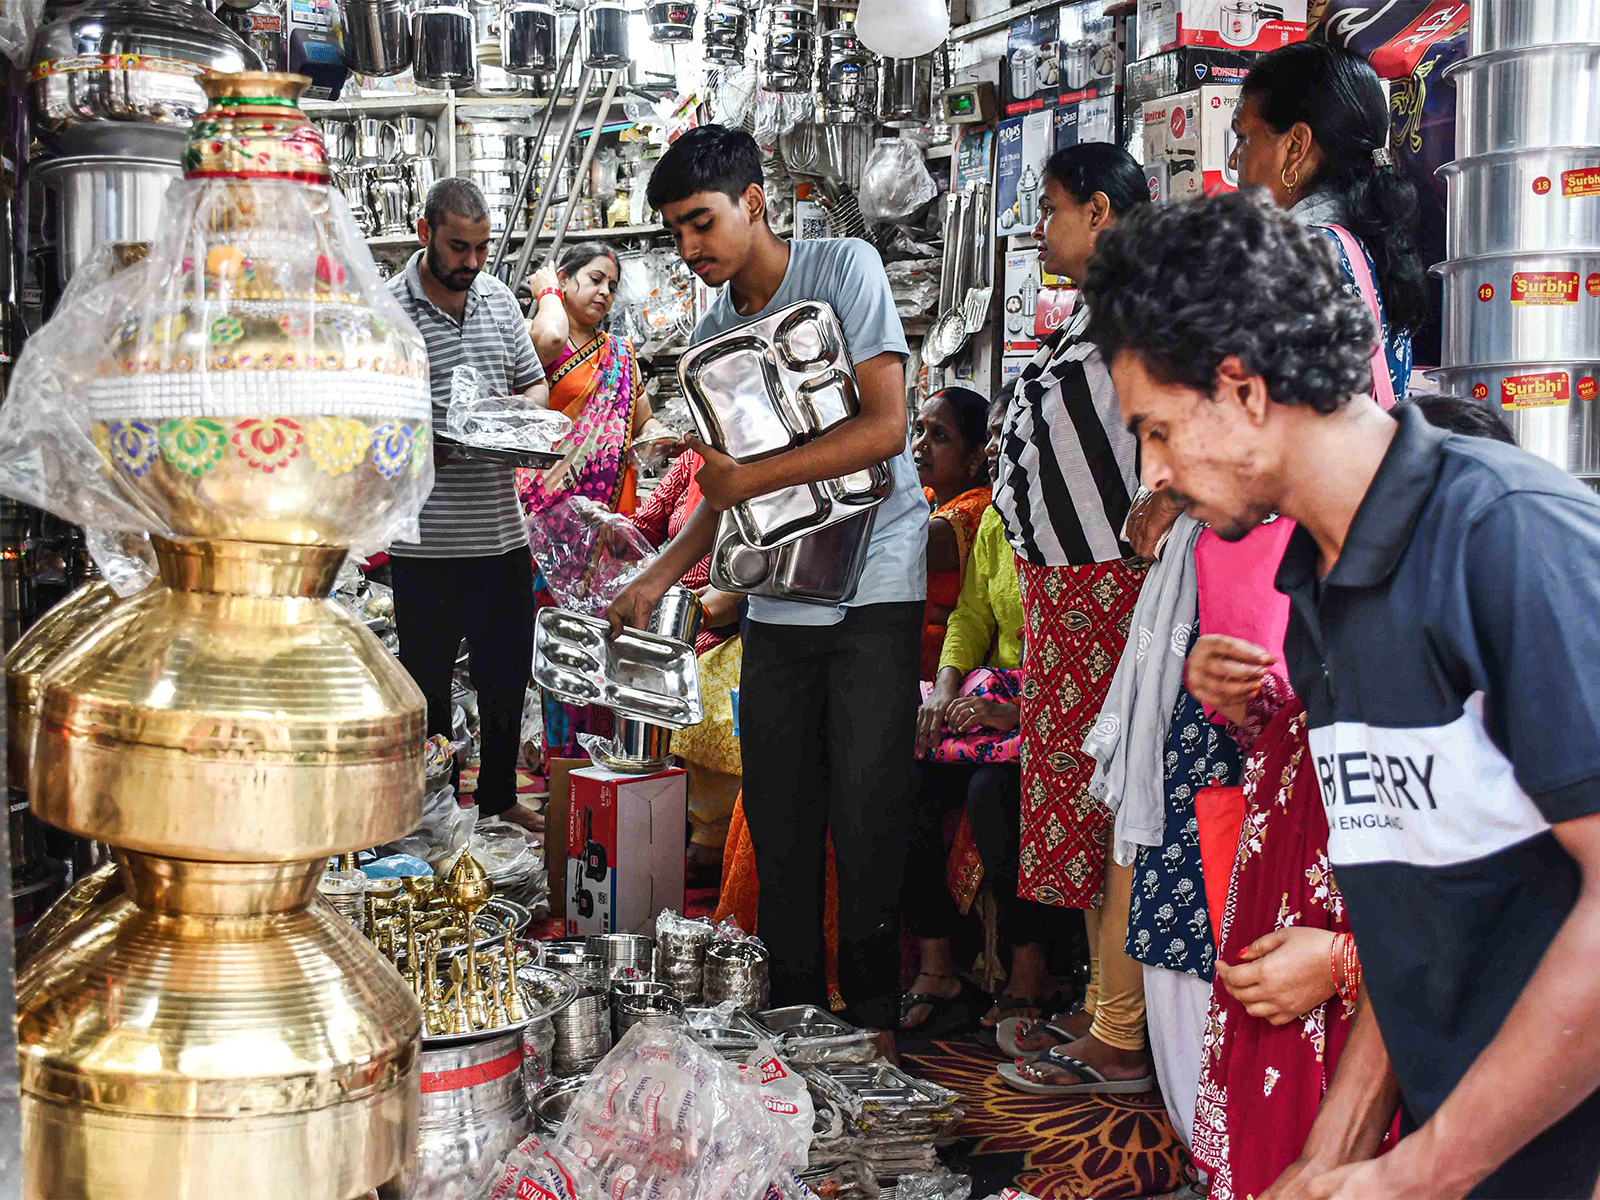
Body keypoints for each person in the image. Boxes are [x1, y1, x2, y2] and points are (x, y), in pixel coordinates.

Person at [1084, 188, 1600, 1200]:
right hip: (1477, 1142)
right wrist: (1332, 1153)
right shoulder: (1322, 583)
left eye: (1154, 430)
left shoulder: (1503, 537)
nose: (1150, 475)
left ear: (1241, 390)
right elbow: (1418, 900)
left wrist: (1418, 1171)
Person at [609, 125, 926, 1034]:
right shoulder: (714, 331)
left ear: (754, 203)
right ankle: (790, 1018)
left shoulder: (844, 269)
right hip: (780, 591)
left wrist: (746, 481)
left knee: (866, 815)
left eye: (700, 223)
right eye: (674, 231)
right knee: (781, 816)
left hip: (876, 577)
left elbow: (884, 428)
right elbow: (718, 489)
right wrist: (658, 577)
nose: (689, 248)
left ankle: (869, 1024)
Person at [991, 143, 1152, 1088]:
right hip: (1071, 592)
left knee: (1114, 797)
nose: (1038, 227)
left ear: (1097, 211)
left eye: (1050, 208)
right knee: (1083, 803)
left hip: (1115, 589)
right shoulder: (1098, 316)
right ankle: (1103, 1010)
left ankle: (1122, 1030)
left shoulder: (1148, 314)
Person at [387, 178, 549, 834]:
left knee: (505, 676)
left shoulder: (497, 298)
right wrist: (430, 443)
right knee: (426, 689)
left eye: (481, 247)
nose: (472, 262)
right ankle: (435, 809)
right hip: (424, 544)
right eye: (459, 247)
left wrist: (516, 418)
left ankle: (498, 799)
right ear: (424, 233)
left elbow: (535, 387)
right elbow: (369, 423)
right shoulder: (387, 311)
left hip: (500, 537)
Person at [903, 394, 1066, 1033]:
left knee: (994, 793)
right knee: (904, 781)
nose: (1006, 449)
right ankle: (937, 962)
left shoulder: (1074, 524)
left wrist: (1018, 711)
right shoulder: (1000, 518)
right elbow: (972, 615)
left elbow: (1090, 646)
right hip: (990, 700)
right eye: (1002, 436)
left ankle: (1031, 969)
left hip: (1054, 712)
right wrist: (945, 692)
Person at [519, 242, 674, 761]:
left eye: (612, 284)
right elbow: (548, 335)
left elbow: (642, 418)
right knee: (564, 645)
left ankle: (605, 757)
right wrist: (545, 295)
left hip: (609, 531)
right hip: (553, 530)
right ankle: (565, 762)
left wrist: (656, 434)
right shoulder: (545, 343)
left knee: (610, 642)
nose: (605, 292)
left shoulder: (622, 356)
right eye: (594, 279)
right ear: (564, 283)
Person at [627, 446, 745, 883]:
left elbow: (747, 580)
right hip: (673, 610)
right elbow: (645, 524)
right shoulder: (690, 463)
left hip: (721, 619)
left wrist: (688, 619)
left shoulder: (760, 464)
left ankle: (710, 834)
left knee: (694, 684)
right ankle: (653, 811)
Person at [914, 386, 993, 680]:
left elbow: (905, 544)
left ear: (975, 456)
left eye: (939, 436)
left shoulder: (981, 507)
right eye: (919, 430)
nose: (920, 445)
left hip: (954, 675)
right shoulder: (930, 493)